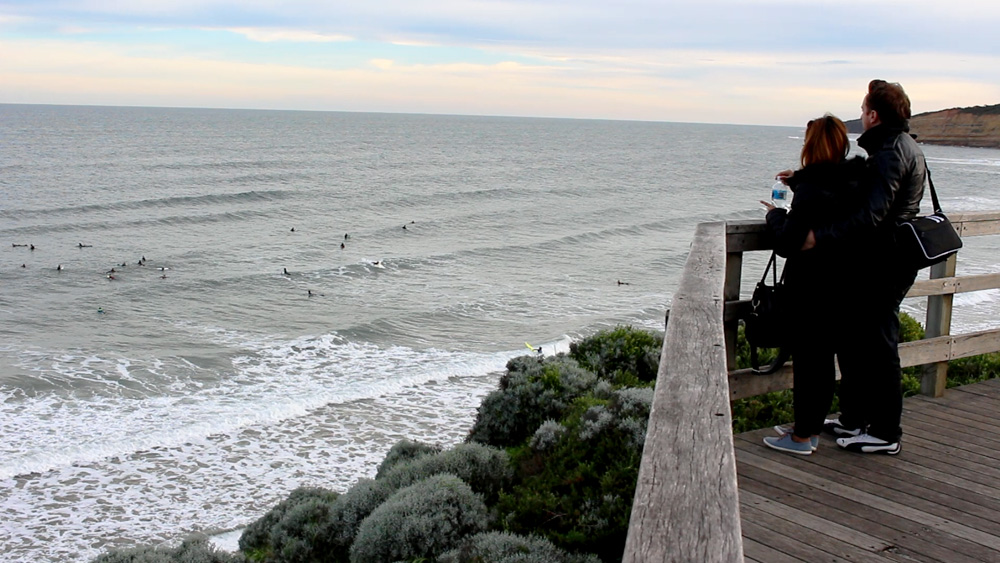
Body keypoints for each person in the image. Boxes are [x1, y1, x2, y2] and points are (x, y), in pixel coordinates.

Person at [760, 115, 869, 455]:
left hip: (811, 287)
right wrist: (800, 181)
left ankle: (802, 437)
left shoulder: (811, 191)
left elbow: (788, 242)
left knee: (811, 363)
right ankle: (810, 427)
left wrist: (775, 214)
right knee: (826, 359)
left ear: (811, 146)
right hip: (848, 283)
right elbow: (828, 187)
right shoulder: (856, 182)